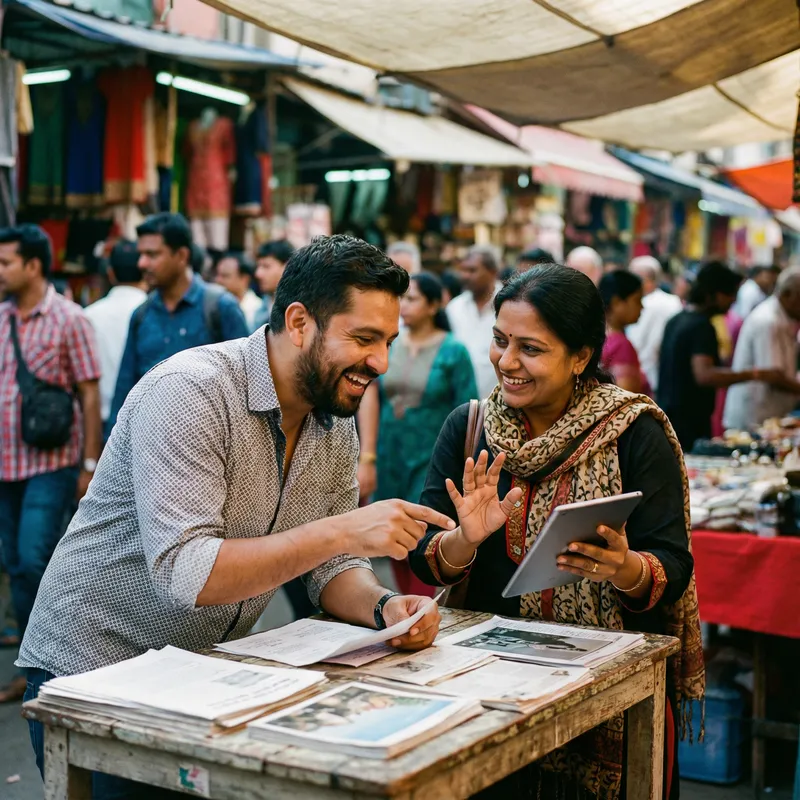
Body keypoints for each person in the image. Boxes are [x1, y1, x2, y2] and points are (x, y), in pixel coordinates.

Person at [18, 235, 449, 796]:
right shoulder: (190, 391)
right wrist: (339, 530)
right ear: (299, 323)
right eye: (364, 338)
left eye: (387, 341)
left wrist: (387, 608)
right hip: (93, 670)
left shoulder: (334, 420)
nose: (381, 362)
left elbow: (331, 566)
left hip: (202, 674)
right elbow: (188, 571)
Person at [407, 264, 702, 799]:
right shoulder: (470, 427)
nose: (507, 362)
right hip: (485, 688)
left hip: (604, 686)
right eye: (500, 341)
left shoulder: (634, 433)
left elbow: (673, 565)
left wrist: (626, 567)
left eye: (531, 349)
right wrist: (464, 540)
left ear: (581, 357)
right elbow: (427, 557)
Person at [0, 224, 102, 703]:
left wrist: (88, 462)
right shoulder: (1, 318)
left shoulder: (70, 318)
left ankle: (54, 661)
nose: (0, 271)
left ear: (34, 265)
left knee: (34, 558)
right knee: (18, 565)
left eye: (6, 262)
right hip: (5, 466)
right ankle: (35, 660)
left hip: (51, 464)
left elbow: (88, 391)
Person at [375, 273, 477, 595]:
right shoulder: (389, 344)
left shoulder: (453, 351)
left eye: (413, 299)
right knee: (394, 532)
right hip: (390, 450)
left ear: (434, 305)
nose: (404, 306)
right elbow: (372, 399)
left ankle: (422, 606)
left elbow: (469, 410)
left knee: (422, 530)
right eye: (402, 299)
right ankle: (405, 603)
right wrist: (367, 456)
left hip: (432, 452)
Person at [107, 213, 248, 432]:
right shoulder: (142, 315)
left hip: (208, 447)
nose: (142, 263)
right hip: (150, 446)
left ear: (182, 255)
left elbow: (245, 387)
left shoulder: (220, 308)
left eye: (152, 254)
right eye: (141, 254)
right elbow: (125, 387)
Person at [657, 261, 782, 452]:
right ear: (712, 294)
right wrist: (756, 374)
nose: (732, 300)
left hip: (669, 417)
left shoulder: (677, 319)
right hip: (690, 423)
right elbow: (705, 375)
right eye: (729, 294)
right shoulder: (702, 327)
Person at [724, 267, 800, 431]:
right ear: (787, 295)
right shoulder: (768, 320)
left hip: (769, 414)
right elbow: (773, 375)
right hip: (753, 418)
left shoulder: (783, 318)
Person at [84, 240, 148, 426]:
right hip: (145, 424)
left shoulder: (89, 315)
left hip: (99, 422)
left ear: (110, 273)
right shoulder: (153, 314)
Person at [447, 244, 502, 398]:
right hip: (463, 401)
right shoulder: (455, 307)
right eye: (463, 270)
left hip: (503, 400)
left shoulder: (510, 305)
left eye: (472, 270)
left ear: (492, 272)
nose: (465, 276)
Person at [626, 255, 682, 392]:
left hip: (643, 381)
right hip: (668, 382)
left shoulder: (641, 305)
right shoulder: (674, 302)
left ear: (646, 281)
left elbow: (635, 343)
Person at [598, 270, 651, 395]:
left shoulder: (595, 336)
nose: (641, 307)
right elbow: (625, 399)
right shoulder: (621, 345)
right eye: (637, 300)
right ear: (616, 302)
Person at [214, 251, 262, 331]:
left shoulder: (257, 310)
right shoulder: (214, 305)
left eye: (225, 276)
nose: (218, 280)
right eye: (217, 274)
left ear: (244, 279)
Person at [252, 239, 294, 329]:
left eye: (266, 266)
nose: (258, 273)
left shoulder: (297, 307)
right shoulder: (261, 308)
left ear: (287, 266)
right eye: (258, 266)